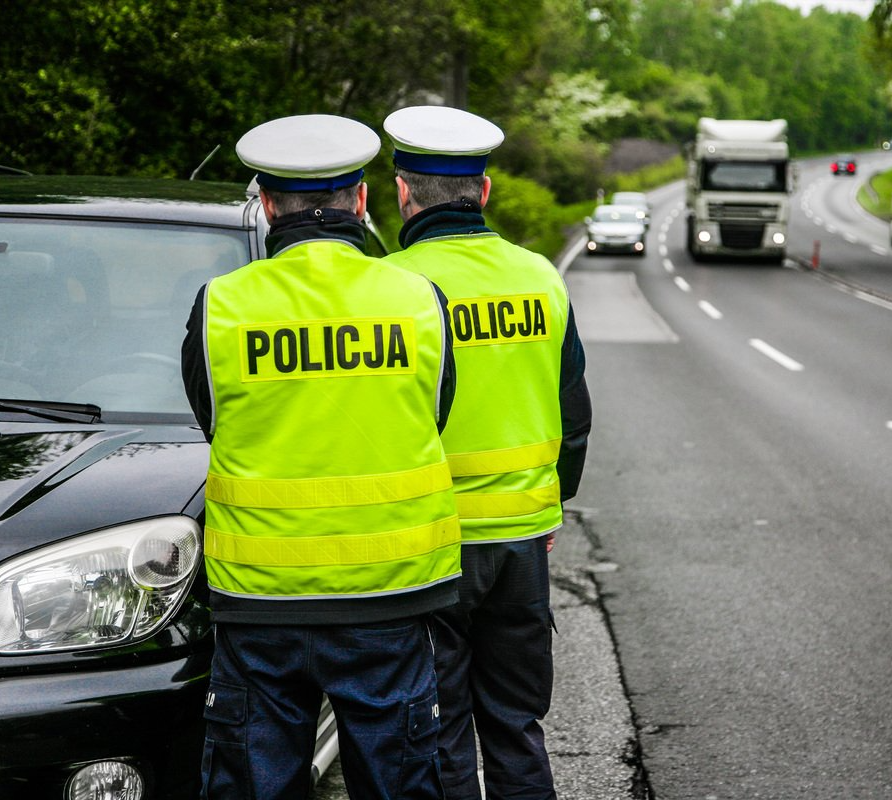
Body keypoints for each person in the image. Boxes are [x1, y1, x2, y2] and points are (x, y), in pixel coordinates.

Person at [180, 113, 461, 800]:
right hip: (388, 598)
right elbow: (433, 415)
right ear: (361, 202)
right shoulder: (418, 299)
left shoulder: (221, 305)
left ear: (266, 205)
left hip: (260, 608)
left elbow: (213, 421)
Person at [381, 105, 592, 800]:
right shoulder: (540, 277)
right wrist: (552, 501)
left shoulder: (392, 287)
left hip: (433, 544)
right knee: (515, 724)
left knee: (440, 730)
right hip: (524, 543)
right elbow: (574, 413)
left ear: (403, 192)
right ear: (486, 191)